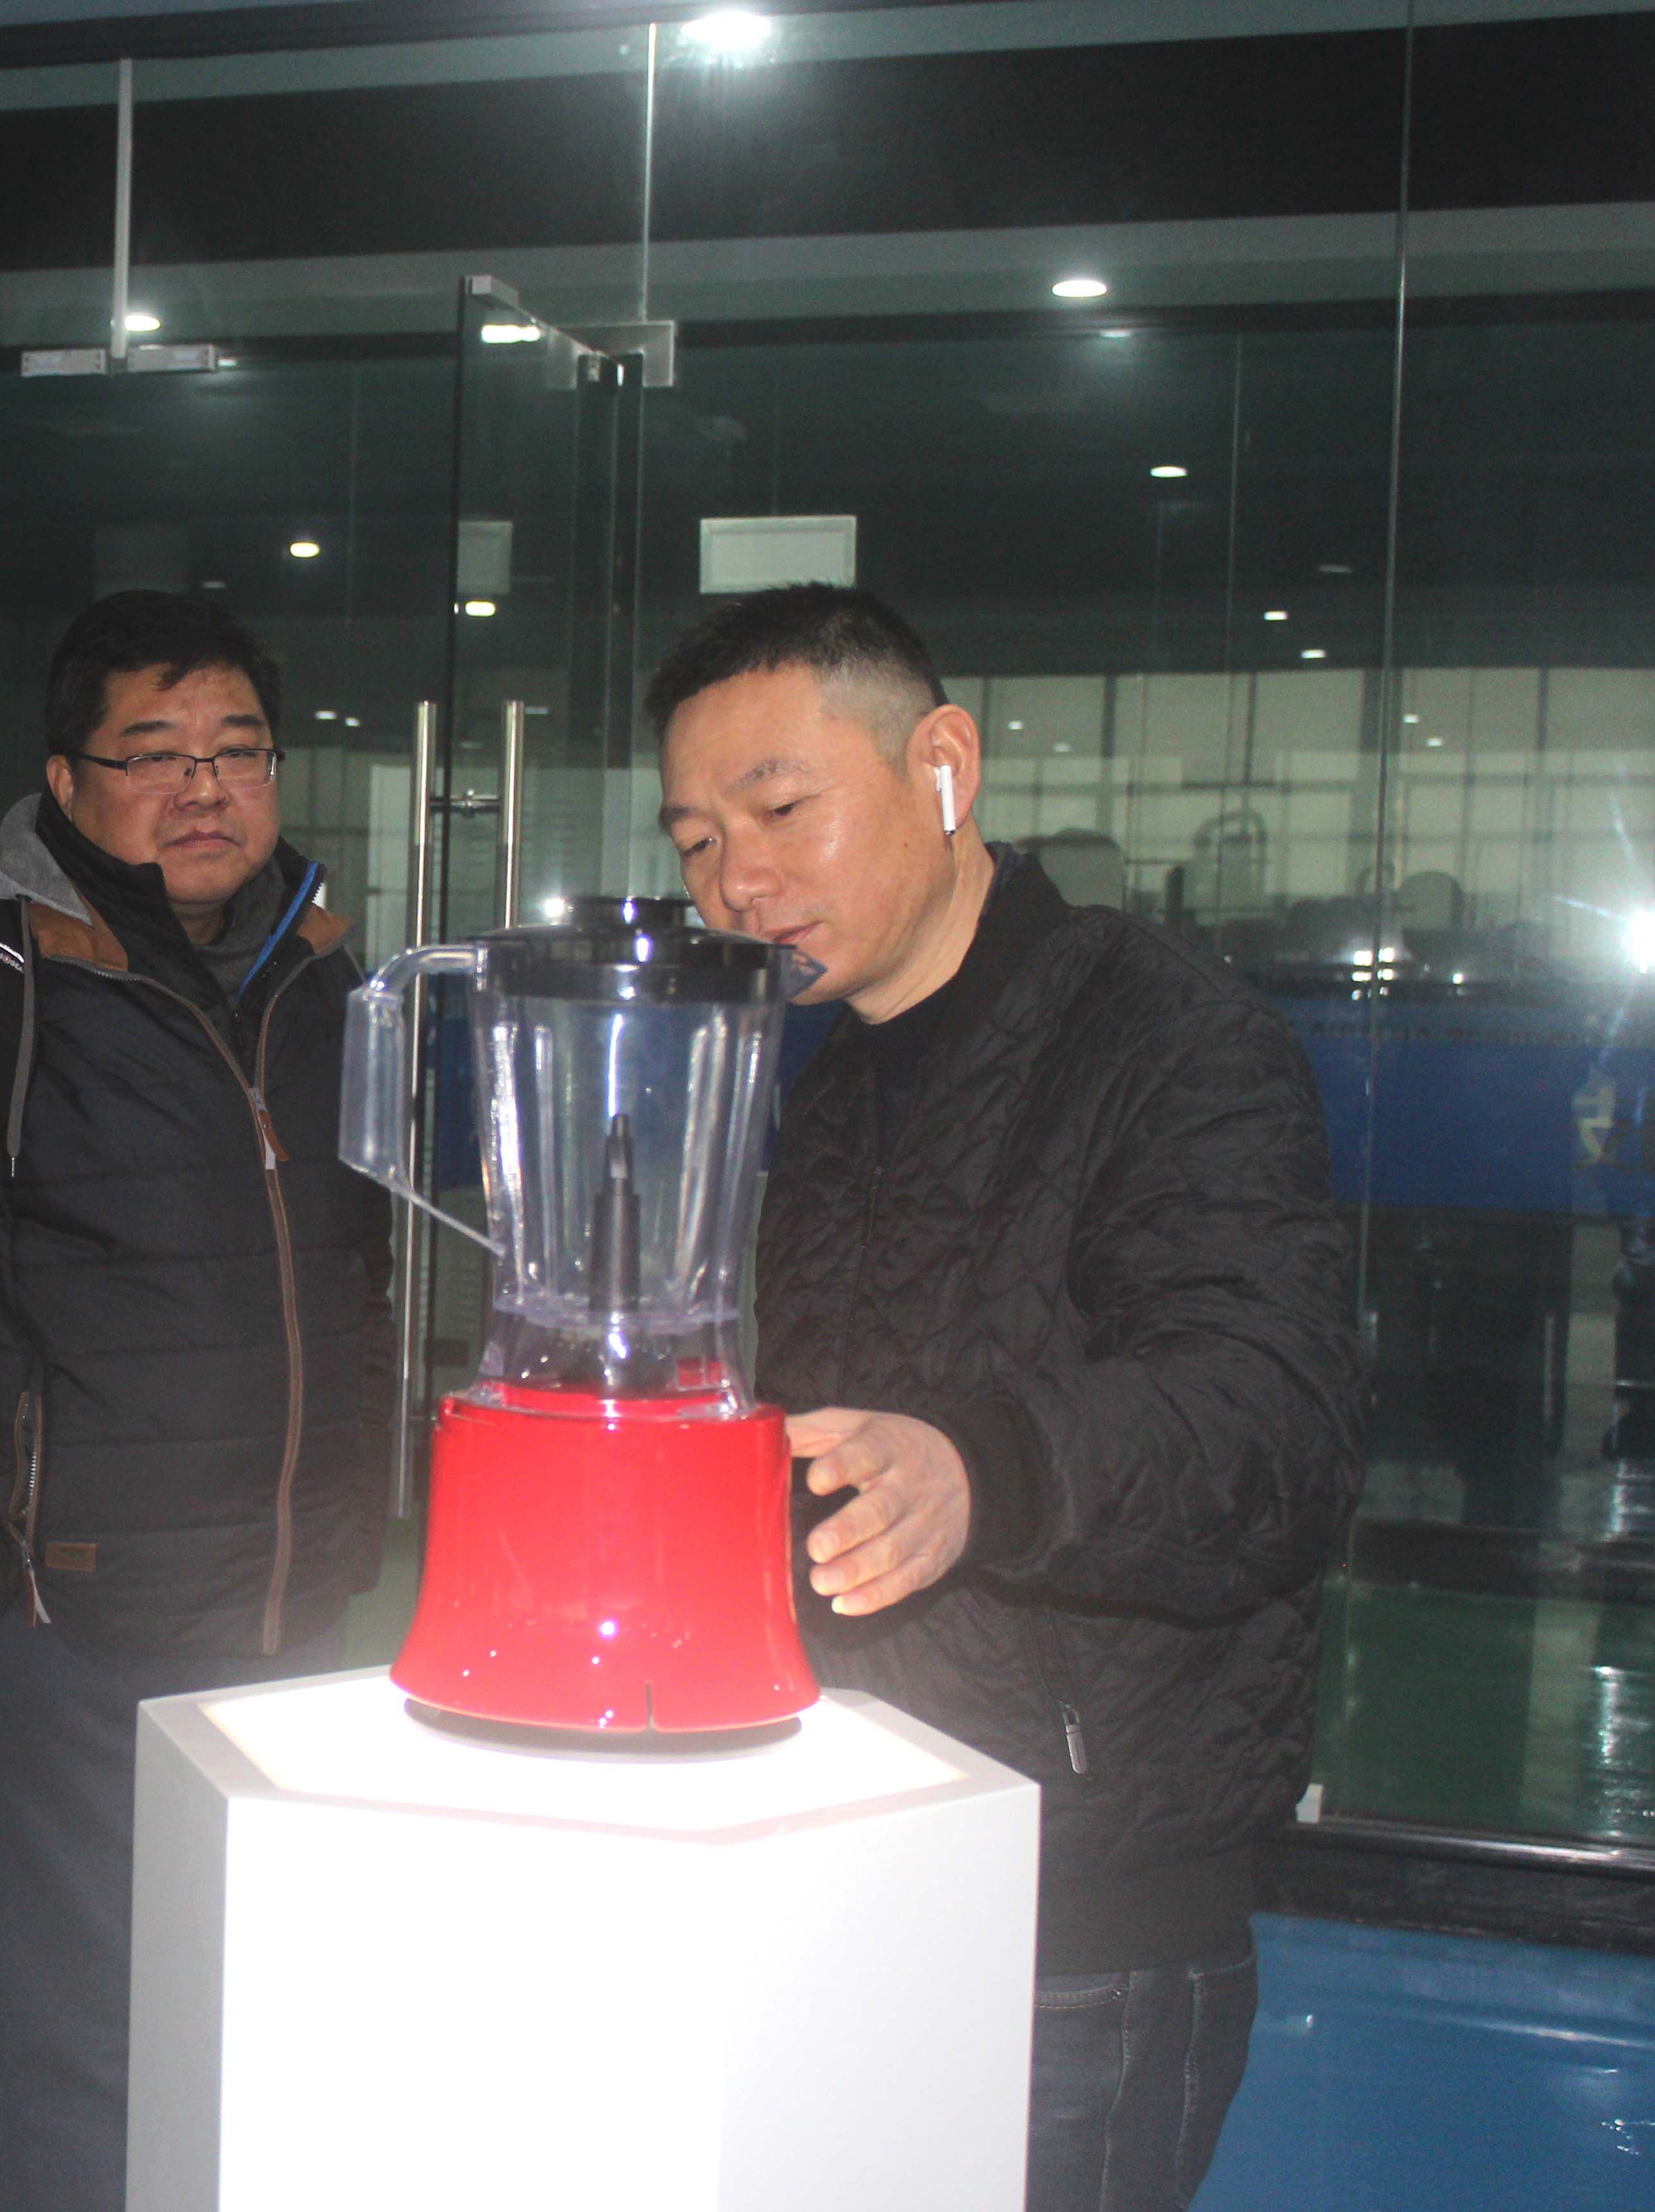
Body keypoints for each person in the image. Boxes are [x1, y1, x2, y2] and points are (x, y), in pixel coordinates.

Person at [646, 585, 1365, 2212]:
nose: (738, 880)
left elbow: (1274, 1425)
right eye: (696, 841)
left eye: (780, 809)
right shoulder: (834, 1087)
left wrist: (988, 1472)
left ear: (945, 765)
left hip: (1080, 1925)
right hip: (855, 1861)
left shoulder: (1167, 1040)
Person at [0, 590, 392, 2212]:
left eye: (238, 752)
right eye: (156, 753)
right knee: (98, 2056)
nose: (205, 789)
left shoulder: (317, 969)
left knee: (133, 2010)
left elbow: (353, 1264)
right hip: (64, 1623)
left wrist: (348, 1522)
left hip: (279, 1607)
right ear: (65, 783)